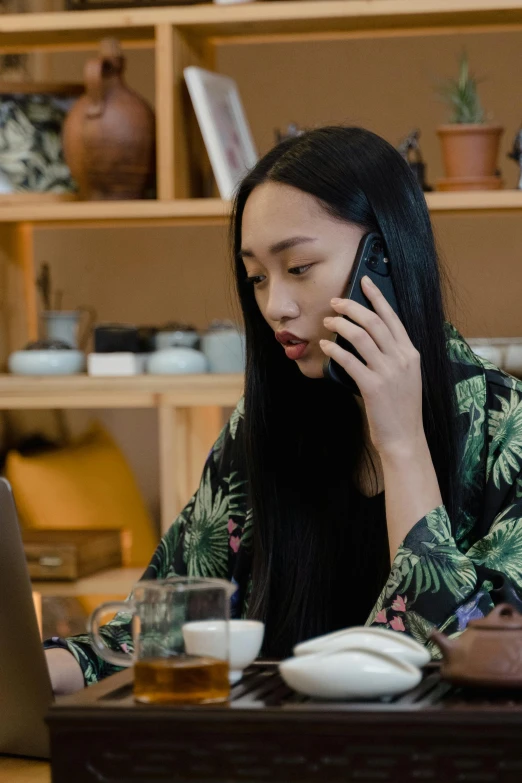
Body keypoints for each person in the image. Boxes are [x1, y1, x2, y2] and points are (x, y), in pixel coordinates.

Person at [45, 126, 522, 694]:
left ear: (387, 261)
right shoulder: (260, 425)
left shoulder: (505, 428)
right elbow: (155, 636)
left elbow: (478, 660)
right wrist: (30, 676)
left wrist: (401, 444)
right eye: (256, 277)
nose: (275, 305)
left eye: (298, 268)